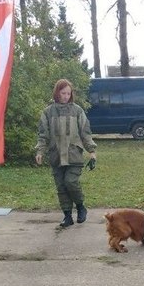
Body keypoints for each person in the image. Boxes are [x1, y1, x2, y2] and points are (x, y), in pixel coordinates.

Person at [35, 79, 97, 228]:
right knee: (61, 187)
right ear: (57, 93)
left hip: (74, 155)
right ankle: (67, 216)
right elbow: (43, 134)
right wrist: (40, 151)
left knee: (71, 182)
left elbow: (85, 132)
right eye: (63, 93)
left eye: (68, 93)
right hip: (56, 156)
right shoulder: (48, 112)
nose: (66, 96)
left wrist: (92, 151)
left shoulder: (77, 110)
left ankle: (81, 206)